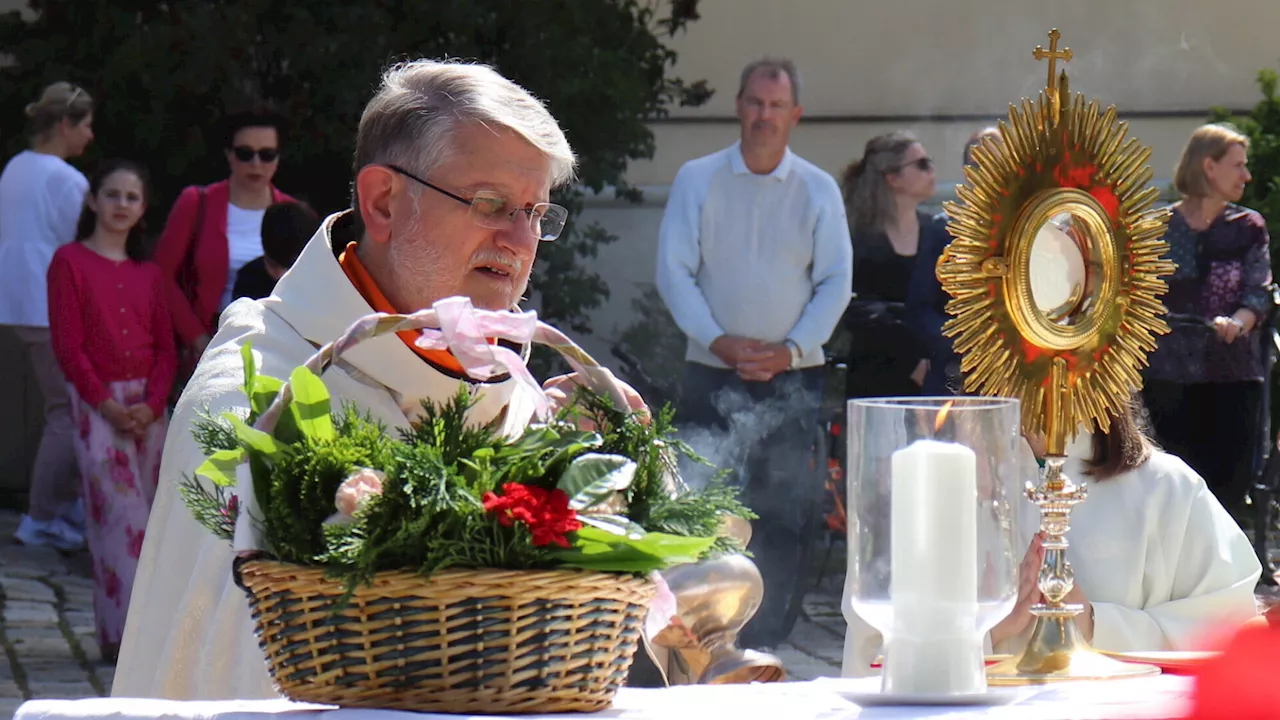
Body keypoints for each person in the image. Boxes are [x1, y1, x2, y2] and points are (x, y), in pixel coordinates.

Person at [113, 58, 644, 701]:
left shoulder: (503, 382)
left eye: (536, 212)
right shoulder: (257, 388)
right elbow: (246, 653)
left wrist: (573, 463)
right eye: (491, 204)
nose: (519, 239)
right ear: (383, 201)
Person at [655, 57, 853, 650]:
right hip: (711, 371)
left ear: (794, 115)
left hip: (793, 377)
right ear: (739, 107)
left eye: (776, 106)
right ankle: (701, 635)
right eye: (755, 103)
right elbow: (673, 271)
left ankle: (768, 640)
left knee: (784, 510)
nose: (764, 116)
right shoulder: (697, 177)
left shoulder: (818, 188)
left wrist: (790, 351)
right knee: (701, 502)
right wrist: (717, 339)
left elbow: (836, 282)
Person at [841, 399, 1262, 675]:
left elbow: (1231, 644)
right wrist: (986, 630)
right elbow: (872, 649)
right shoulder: (935, 478)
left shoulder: (1167, 490)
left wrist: (1096, 624)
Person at [47, 160, 175, 663]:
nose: (121, 205)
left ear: (142, 209)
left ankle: (141, 633)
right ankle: (126, 636)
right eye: (112, 194)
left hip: (148, 408)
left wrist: (153, 403)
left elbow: (166, 348)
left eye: (132, 197)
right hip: (98, 405)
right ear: (92, 201)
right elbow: (68, 344)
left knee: (155, 520)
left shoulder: (148, 273)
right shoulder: (69, 262)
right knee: (122, 520)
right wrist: (105, 403)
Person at [1141, 123, 1273, 518]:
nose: (1246, 176)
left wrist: (1239, 321)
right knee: (1171, 488)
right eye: (1238, 166)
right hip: (1169, 378)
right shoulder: (1160, 227)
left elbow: (1258, 290)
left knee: (1227, 490)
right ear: (1209, 167)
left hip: (1231, 376)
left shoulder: (1248, 228)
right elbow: (1143, 292)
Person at [0, 81, 95, 551]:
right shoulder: (67, 179)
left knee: (56, 410)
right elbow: (76, 249)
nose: (91, 136)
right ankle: (41, 518)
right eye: (86, 124)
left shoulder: (16, 167)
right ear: (65, 125)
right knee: (67, 414)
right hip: (48, 306)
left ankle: (62, 505)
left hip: (18, 303)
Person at [153, 109, 297, 374]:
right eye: (245, 153)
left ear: (278, 158)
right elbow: (161, 275)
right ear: (229, 154)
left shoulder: (294, 212)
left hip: (276, 350)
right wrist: (197, 339)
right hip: (208, 344)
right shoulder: (197, 203)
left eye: (266, 155)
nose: (256, 164)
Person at [840, 131, 944, 399]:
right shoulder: (859, 236)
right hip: (876, 378)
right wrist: (909, 362)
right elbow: (857, 309)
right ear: (893, 178)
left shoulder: (937, 231)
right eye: (921, 164)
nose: (931, 170)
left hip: (933, 375)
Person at [907, 126, 1002, 396]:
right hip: (957, 376)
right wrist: (964, 339)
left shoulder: (1030, 233)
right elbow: (919, 310)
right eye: (981, 165)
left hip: (1017, 378)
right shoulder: (944, 231)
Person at [231, 201, 320, 301]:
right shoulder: (248, 278)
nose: (279, 276)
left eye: (289, 268)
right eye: (273, 266)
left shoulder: (321, 280)